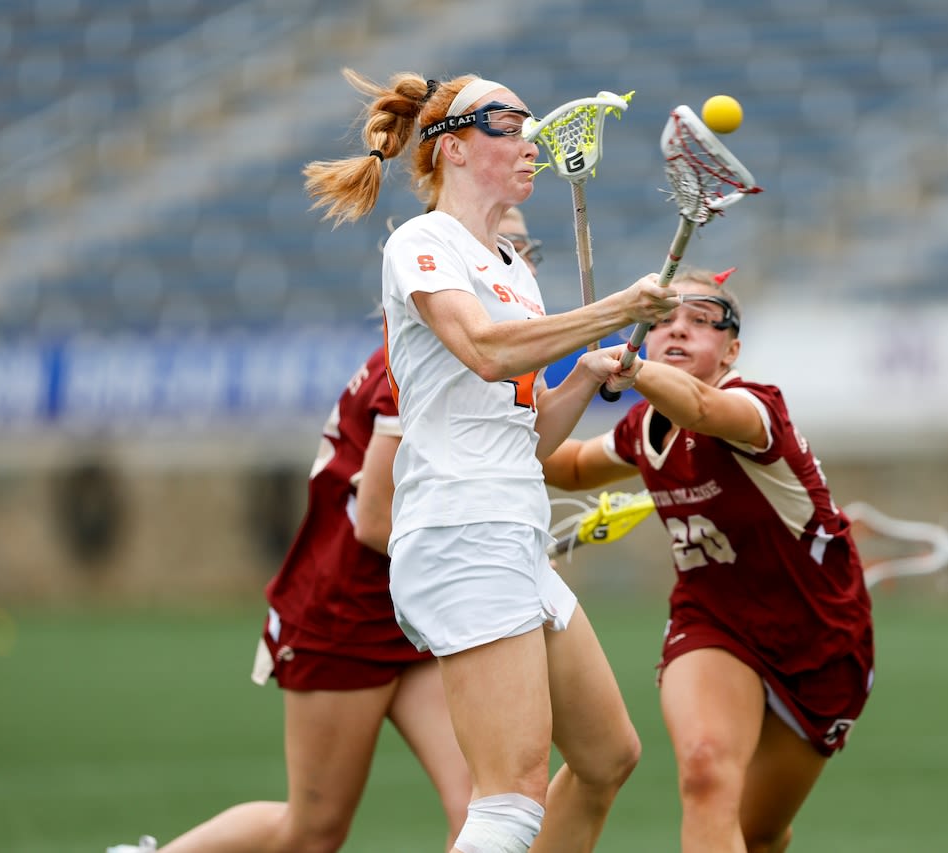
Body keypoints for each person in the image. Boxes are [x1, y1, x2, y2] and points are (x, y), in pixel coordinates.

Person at [299, 68, 679, 853]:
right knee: (509, 800)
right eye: (511, 124)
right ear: (454, 149)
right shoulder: (422, 243)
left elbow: (526, 438)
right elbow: (481, 350)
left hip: (509, 526)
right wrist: (611, 311)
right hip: (461, 528)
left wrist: (580, 374)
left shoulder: (515, 270)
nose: (532, 140)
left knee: (609, 754)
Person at [107, 206, 544, 853]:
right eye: (501, 245)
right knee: (312, 831)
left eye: (524, 247)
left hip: (417, 607)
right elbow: (374, 521)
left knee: (490, 805)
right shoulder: (418, 364)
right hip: (346, 609)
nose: (519, 261)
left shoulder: (477, 363)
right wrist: (484, 554)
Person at [542, 267, 875, 853]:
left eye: (701, 321)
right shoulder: (643, 425)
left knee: (756, 831)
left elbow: (698, 408)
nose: (678, 331)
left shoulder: (753, 407)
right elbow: (566, 468)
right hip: (713, 620)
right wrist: (487, 425)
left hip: (820, 635)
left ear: (731, 348)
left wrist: (636, 370)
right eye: (663, 319)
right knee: (704, 772)